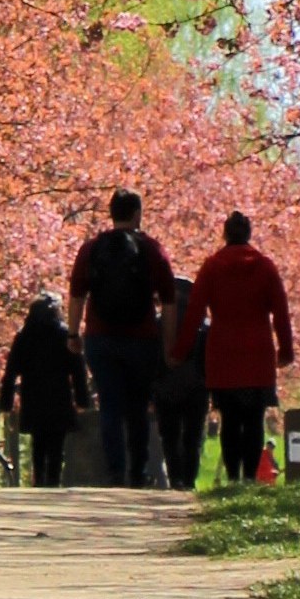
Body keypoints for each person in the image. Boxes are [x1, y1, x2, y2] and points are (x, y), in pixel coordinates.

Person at [171, 210, 295, 490]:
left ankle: (233, 477)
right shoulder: (265, 267)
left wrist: (181, 350)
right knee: (253, 418)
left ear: (225, 234)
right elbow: (281, 312)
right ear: (249, 234)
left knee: (229, 418)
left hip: (223, 351)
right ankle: (250, 477)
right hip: (258, 351)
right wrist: (286, 349)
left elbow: (194, 313)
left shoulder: (212, 267)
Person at [67, 189, 179, 486]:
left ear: (111, 213)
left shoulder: (91, 248)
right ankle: (138, 472)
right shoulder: (152, 249)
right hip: (141, 339)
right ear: (137, 214)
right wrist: (168, 345)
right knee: (138, 407)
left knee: (110, 405)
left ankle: (116, 471)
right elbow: (169, 301)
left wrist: (73, 332)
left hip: (100, 338)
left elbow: (77, 295)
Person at [0, 295, 89, 487]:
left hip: (33, 396)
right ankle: (53, 481)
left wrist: (6, 401)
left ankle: (38, 480)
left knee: (38, 443)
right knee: (57, 444)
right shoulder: (65, 334)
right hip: (59, 397)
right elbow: (78, 370)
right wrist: (82, 400)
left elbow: (11, 371)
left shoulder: (24, 336)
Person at [153, 296, 210, 488]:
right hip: (197, 388)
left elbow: (151, 358)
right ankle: (189, 479)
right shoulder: (204, 327)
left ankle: (175, 477)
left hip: (164, 387)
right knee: (192, 436)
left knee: (169, 436)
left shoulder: (157, 324)